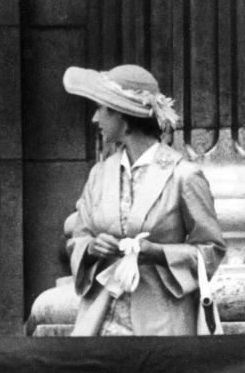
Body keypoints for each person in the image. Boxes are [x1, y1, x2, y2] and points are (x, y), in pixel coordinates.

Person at [63, 64, 225, 335]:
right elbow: (78, 237)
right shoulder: (100, 174)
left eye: (101, 109)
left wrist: (159, 253)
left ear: (123, 118)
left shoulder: (183, 176)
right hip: (101, 325)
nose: (94, 118)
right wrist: (90, 248)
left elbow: (211, 250)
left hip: (162, 326)